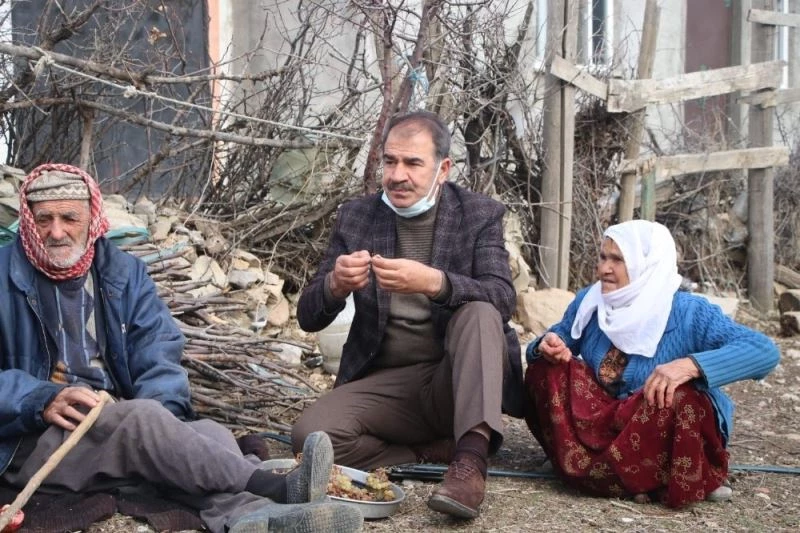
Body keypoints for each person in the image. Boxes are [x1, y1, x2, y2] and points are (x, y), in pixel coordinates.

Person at [0, 163, 363, 533]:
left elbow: (157, 348)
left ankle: (254, 518)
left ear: (91, 218)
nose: (56, 232)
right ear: (28, 220)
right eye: (44, 219)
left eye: (69, 218)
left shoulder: (122, 273)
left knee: (208, 437)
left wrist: (166, 426)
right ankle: (277, 487)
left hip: (116, 423)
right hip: (32, 440)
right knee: (144, 425)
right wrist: (40, 399)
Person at [291, 111, 524, 519]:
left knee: (479, 312)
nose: (398, 175)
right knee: (310, 437)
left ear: (443, 169)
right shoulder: (358, 216)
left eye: (413, 163)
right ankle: (427, 452)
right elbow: (308, 317)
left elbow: (503, 298)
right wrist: (335, 284)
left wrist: (435, 282)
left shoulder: (478, 214)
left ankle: (470, 464)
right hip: (389, 386)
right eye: (390, 161)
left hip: (457, 378)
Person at [524, 219, 780, 507]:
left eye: (617, 260)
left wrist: (689, 366)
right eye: (603, 257)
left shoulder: (689, 311)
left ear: (646, 265)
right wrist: (549, 346)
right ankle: (599, 466)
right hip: (606, 422)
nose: (604, 268)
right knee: (545, 369)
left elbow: (764, 351)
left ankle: (660, 473)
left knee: (681, 397)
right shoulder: (591, 300)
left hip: (652, 426)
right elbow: (552, 340)